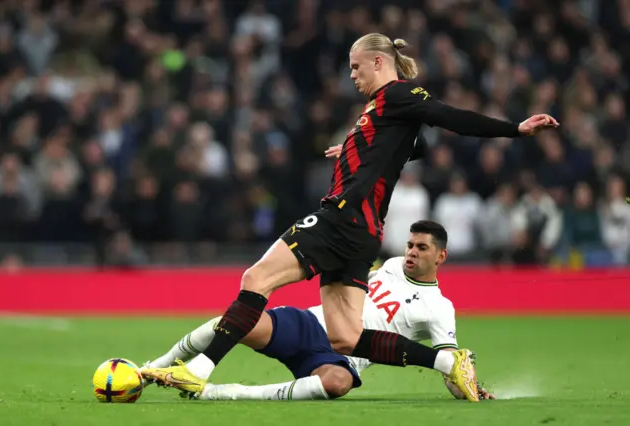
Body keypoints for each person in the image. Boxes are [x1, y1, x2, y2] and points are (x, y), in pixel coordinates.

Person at [141, 33, 558, 403]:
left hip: (342, 218)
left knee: (255, 280)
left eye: (356, 67)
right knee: (346, 337)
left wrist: (514, 129)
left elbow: (450, 117)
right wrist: (361, 152)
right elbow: (421, 147)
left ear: (379, 62)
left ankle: (197, 372)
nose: (352, 76)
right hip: (364, 234)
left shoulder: (398, 93)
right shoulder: (384, 110)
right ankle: (448, 364)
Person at [142, 221, 495, 401]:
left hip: (346, 354)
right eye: (410, 245)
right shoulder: (389, 265)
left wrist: (470, 387)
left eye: (421, 248)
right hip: (310, 322)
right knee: (231, 323)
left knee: (338, 384)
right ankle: (155, 369)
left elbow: (450, 358)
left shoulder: (440, 308)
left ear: (441, 257)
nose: (412, 253)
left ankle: (217, 393)